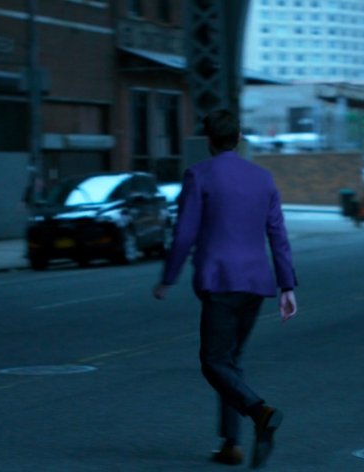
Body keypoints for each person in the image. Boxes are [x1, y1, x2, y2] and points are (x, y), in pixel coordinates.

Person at [153, 109, 298, 469]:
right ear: (239, 139)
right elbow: (277, 234)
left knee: (213, 362)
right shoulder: (263, 179)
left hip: (220, 282)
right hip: (255, 283)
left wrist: (168, 277)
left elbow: (184, 233)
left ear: (209, 141)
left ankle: (261, 411)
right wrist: (287, 286)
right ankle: (231, 443)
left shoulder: (199, 175)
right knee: (229, 362)